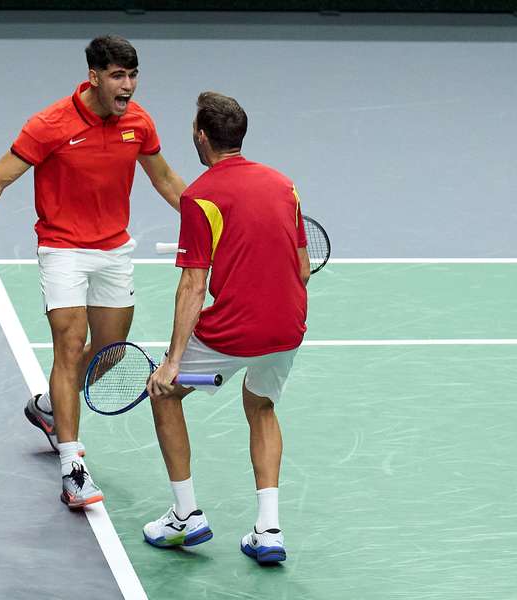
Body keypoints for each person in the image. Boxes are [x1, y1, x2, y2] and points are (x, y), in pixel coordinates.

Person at [0, 35, 187, 509]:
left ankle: (51, 408)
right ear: (94, 77)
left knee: (110, 354)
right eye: (118, 76)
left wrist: (212, 222)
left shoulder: (138, 123)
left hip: (114, 250)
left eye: (133, 76)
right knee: (69, 344)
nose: (129, 87)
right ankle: (72, 467)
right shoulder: (49, 124)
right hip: (62, 249)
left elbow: (164, 179)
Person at [143, 92, 310, 564]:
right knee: (261, 406)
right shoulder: (284, 185)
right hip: (288, 327)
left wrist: (172, 363)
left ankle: (185, 516)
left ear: (201, 135)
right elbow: (301, 269)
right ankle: (269, 529)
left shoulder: (199, 196)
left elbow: (194, 285)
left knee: (164, 392)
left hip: (235, 333)